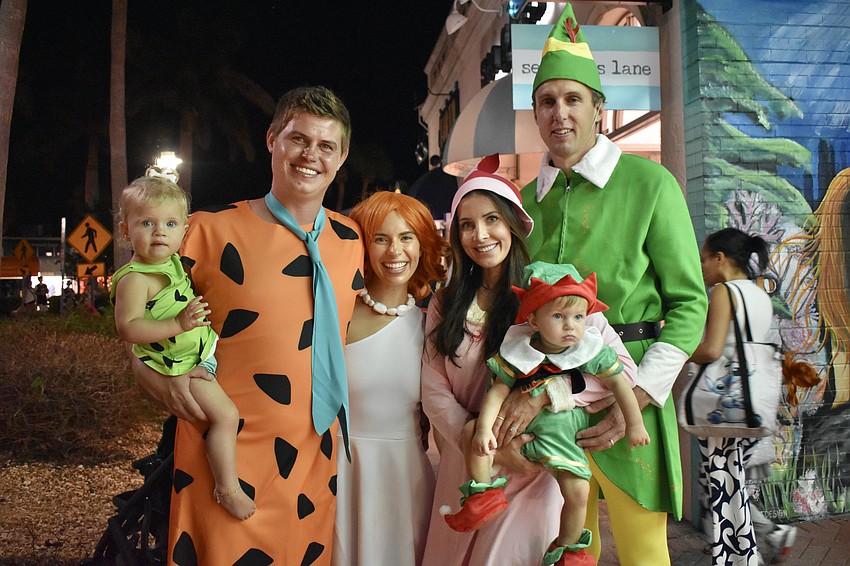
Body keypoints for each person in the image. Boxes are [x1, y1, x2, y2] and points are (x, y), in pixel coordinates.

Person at [129, 85, 363, 564]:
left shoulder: (352, 238)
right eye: (298, 139)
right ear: (272, 138)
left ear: (341, 157)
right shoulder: (204, 231)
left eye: (325, 146)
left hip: (314, 457)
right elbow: (134, 323)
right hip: (223, 458)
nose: (309, 155)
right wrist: (154, 378)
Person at [517, 5, 709, 564]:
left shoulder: (650, 182)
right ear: (534, 113)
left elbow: (689, 303)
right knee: (571, 543)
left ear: (599, 108)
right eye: (548, 101)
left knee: (644, 547)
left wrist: (643, 394)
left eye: (574, 99)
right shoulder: (526, 202)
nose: (561, 113)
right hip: (552, 400)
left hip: (630, 390)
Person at [420, 154, 636, 566]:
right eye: (466, 224)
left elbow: (619, 367)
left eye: (492, 220)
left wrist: (542, 395)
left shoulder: (554, 288)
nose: (480, 234)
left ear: (514, 224)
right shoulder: (445, 301)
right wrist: (476, 439)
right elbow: (433, 389)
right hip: (469, 462)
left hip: (533, 467)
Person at [441, 262, 647, 566]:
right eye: (559, 317)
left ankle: (568, 549)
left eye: (579, 317)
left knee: (578, 491)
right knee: (472, 432)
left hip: (561, 440)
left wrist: (635, 424)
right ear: (534, 320)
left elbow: (620, 383)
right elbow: (497, 390)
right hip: (512, 434)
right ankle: (482, 495)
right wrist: (485, 429)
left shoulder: (588, 349)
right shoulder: (519, 348)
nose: (571, 326)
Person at [111, 175, 255, 521]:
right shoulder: (136, 278)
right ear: (125, 230)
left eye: (170, 224)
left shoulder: (171, 262)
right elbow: (127, 327)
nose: (159, 232)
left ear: (184, 230)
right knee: (226, 416)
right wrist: (178, 324)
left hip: (199, 355)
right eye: (147, 223)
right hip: (177, 365)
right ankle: (227, 488)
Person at [333, 190, 447, 566]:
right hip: (336, 472)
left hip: (406, 478)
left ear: (423, 245)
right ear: (363, 246)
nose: (394, 252)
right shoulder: (335, 314)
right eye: (380, 238)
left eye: (406, 237)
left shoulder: (434, 327)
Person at [692, 227, 805, 565]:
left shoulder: (724, 292)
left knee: (723, 480)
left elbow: (712, 350)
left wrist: (675, 347)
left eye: (703, 259)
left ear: (720, 258)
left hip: (723, 402)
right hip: (753, 398)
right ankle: (746, 546)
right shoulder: (757, 294)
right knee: (725, 478)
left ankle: (739, 554)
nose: (701, 267)